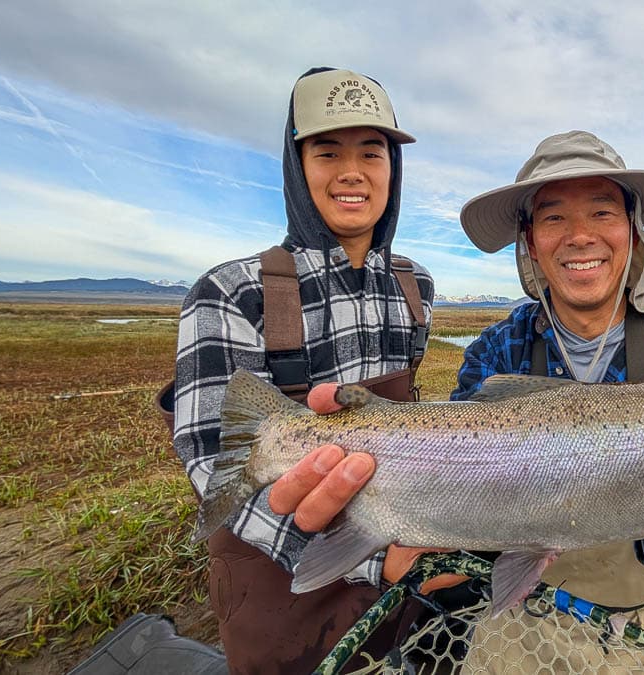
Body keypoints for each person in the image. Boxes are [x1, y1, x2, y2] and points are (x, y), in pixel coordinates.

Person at [285, 131, 644, 673]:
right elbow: (471, 510)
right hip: (528, 616)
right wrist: (405, 537)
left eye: (603, 212)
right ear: (529, 241)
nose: (580, 235)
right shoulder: (495, 351)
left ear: (632, 229)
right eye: (554, 216)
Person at [172, 66, 433, 673]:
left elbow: (405, 422)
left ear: (393, 169)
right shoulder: (231, 292)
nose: (352, 171)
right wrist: (378, 560)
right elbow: (213, 460)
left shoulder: (415, 285)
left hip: (399, 570)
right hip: (278, 599)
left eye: (372, 151)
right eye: (327, 151)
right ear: (296, 167)